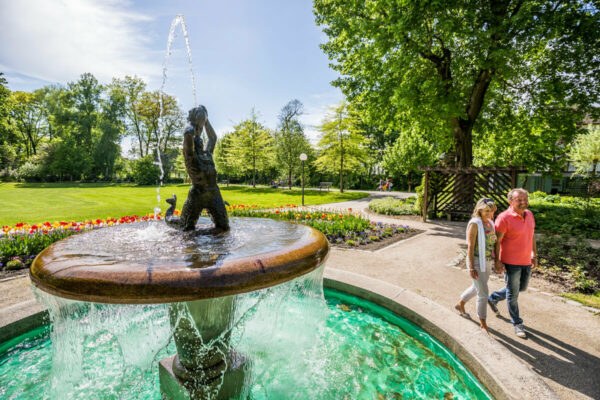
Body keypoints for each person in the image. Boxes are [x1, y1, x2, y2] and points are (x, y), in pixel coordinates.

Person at [488, 189, 537, 338]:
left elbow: (532, 235)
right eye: (519, 200)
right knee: (513, 294)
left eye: (525, 199)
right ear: (511, 202)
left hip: (526, 260)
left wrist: (534, 254)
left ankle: (493, 298)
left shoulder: (529, 214)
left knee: (520, 288)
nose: (523, 202)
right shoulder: (504, 218)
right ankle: (517, 323)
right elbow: (497, 241)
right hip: (511, 262)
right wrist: (497, 261)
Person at [455, 198, 497, 334]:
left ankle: (460, 304)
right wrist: (471, 267)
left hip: (488, 260)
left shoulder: (490, 222)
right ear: (479, 210)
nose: (490, 214)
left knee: (476, 287)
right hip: (477, 261)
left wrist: (496, 260)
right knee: (483, 293)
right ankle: (483, 323)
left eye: (491, 211)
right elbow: (471, 246)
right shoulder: (475, 224)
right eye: (486, 211)